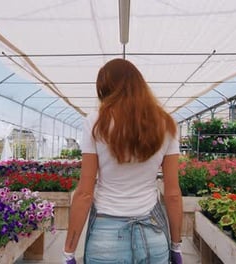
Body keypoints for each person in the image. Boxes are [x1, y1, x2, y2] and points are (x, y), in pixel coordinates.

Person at [63, 58, 183, 264]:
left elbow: (84, 193)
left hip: (105, 238)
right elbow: (172, 194)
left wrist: (69, 252)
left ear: (105, 89)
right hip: (153, 234)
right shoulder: (166, 124)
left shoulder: (95, 122)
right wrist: (176, 245)